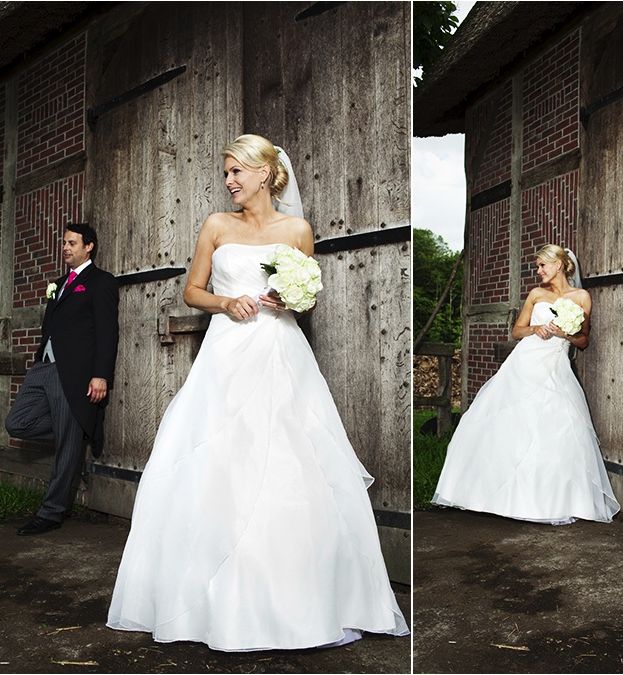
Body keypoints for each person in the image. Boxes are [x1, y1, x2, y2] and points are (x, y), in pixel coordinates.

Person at [106, 134, 409, 651]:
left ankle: (292, 596)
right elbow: (191, 290)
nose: (229, 182)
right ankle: (208, 596)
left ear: (265, 174)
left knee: (290, 457)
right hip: (225, 356)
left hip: (278, 351)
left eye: (237, 172)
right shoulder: (216, 226)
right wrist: (227, 304)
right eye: (226, 173)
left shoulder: (297, 229)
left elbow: (308, 299)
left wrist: (286, 296)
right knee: (218, 459)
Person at [431, 244, 620, 525]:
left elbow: (584, 340)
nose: (539, 270)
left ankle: (545, 502)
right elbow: (517, 331)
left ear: (559, 265)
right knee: (508, 425)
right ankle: (492, 495)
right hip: (523, 365)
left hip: (556, 369)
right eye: (538, 266)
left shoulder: (581, 297)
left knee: (557, 429)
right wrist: (535, 329)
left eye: (543, 265)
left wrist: (565, 334)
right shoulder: (536, 294)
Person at [6, 224, 119, 536]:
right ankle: (77, 431)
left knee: (67, 447)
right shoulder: (58, 284)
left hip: (75, 373)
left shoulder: (100, 282)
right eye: (64, 243)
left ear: (89, 247)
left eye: (72, 243)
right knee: (17, 423)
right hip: (44, 367)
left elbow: (108, 332)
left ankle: (51, 513)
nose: (65, 247)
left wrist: (101, 375)